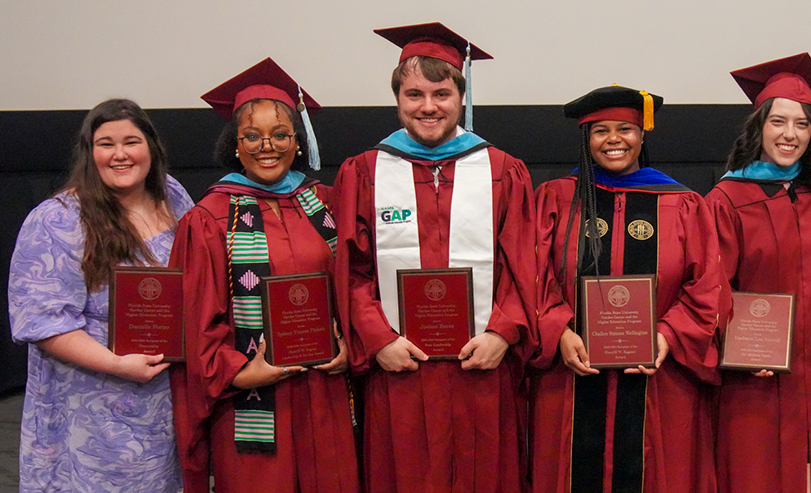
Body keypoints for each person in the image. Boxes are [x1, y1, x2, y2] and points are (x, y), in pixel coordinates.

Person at [332, 23, 536, 492]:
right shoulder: (364, 172)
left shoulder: (502, 170)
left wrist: (503, 333)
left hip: (480, 365)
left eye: (441, 93)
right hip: (400, 366)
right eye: (414, 94)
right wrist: (378, 338)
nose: (428, 107)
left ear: (461, 97)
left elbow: (522, 263)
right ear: (397, 98)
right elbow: (352, 268)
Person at [168, 58, 359, 493]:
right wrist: (236, 371)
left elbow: (357, 285)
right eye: (251, 136)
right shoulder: (210, 217)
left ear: (298, 142)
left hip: (325, 390)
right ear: (235, 144)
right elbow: (196, 318)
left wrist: (351, 344)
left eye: (280, 135)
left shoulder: (324, 203)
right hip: (250, 399)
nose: (265, 146)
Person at [527, 85, 725, 493]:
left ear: (642, 135)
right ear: (586, 138)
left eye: (625, 129)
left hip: (658, 381)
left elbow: (707, 285)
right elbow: (531, 277)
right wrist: (559, 331)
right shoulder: (556, 199)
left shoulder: (682, 203)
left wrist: (668, 336)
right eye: (600, 131)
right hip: (571, 377)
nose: (613, 139)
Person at [8, 98, 193, 492]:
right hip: (89, 404)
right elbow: (42, 320)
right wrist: (116, 364)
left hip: (164, 396)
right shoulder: (56, 220)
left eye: (132, 141)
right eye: (106, 143)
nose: (120, 154)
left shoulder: (173, 197)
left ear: (152, 147)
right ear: (90, 152)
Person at [705, 53, 811, 493]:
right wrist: (736, 344)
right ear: (759, 127)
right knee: (758, 469)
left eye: (802, 124)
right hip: (758, 373)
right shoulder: (727, 197)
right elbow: (713, 286)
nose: (790, 134)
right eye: (778, 122)